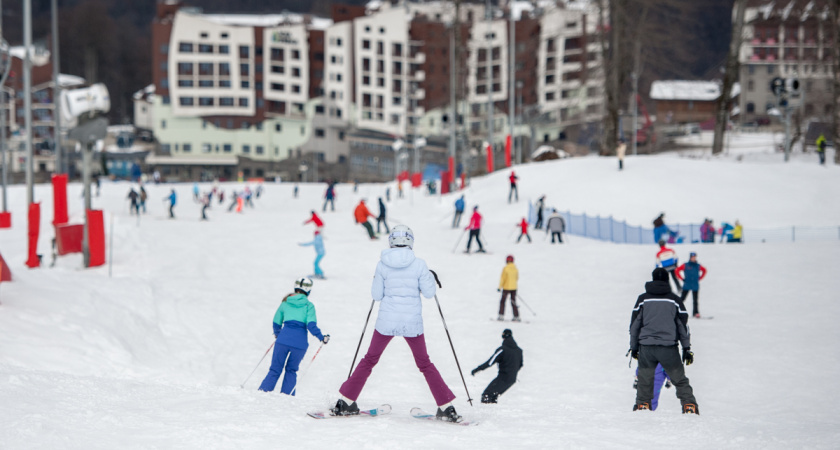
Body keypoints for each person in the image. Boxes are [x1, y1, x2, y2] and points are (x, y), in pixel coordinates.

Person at [331, 225, 462, 422]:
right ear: (410, 240)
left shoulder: (382, 265)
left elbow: (376, 295)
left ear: (391, 241)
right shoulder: (419, 264)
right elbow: (429, 293)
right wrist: (429, 277)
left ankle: (346, 401)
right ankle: (446, 407)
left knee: (369, 359)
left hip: (387, 321)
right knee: (425, 363)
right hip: (412, 323)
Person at [629, 268, 698, 414]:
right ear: (667, 280)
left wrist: (634, 347)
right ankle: (689, 406)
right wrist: (686, 349)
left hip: (646, 348)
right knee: (679, 380)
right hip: (668, 348)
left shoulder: (643, 299)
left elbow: (635, 325)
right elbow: (683, 326)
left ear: (653, 279)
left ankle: (642, 405)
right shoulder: (674, 300)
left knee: (645, 380)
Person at [258, 277, 329, 394]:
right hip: (300, 344)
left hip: (283, 340)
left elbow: (276, 322)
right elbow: (311, 326)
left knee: (275, 369)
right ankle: (286, 398)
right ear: (309, 291)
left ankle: (262, 394)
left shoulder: (285, 303)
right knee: (291, 371)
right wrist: (322, 337)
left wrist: (278, 334)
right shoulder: (309, 306)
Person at [471, 329, 523, 404]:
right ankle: (493, 412)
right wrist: (512, 372)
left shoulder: (502, 349)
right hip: (512, 379)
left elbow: (490, 362)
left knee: (487, 395)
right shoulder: (519, 350)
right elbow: (520, 365)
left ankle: (485, 414)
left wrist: (478, 369)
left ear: (503, 336)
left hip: (503, 377)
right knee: (493, 396)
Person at [676, 252, 707, 318]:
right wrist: (681, 278)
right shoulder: (685, 265)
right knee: (682, 298)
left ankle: (696, 312)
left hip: (695, 285)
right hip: (687, 284)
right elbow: (677, 270)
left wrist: (700, 278)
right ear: (690, 257)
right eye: (692, 257)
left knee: (695, 300)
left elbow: (704, 270)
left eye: (694, 257)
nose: (693, 258)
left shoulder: (698, 266)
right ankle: (676, 310)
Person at [497, 255, 520, 322]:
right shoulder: (515, 268)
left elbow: (503, 278)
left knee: (503, 301)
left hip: (506, 287)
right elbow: (517, 278)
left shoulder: (505, 268)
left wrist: (499, 287)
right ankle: (516, 316)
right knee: (513, 301)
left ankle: (501, 315)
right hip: (514, 288)